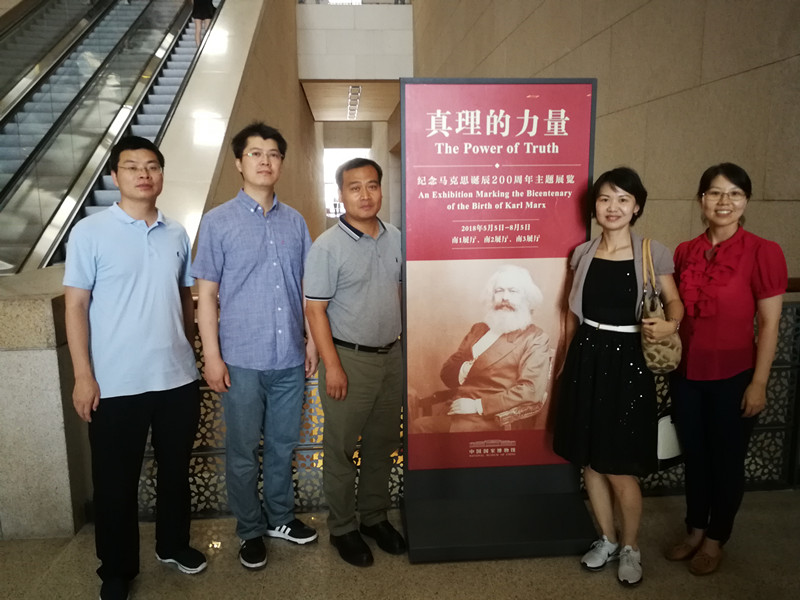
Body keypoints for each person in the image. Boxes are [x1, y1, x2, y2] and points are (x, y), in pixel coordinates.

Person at [63, 136, 206, 600]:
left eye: (152, 166)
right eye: (132, 166)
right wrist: (83, 375)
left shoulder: (177, 232)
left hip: (177, 379)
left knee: (175, 472)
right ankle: (117, 569)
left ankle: (173, 544)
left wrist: (189, 346)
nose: (144, 174)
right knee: (114, 483)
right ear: (114, 176)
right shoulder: (89, 232)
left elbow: (185, 297)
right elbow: (76, 306)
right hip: (115, 383)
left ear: (161, 175)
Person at [192, 123, 318, 571]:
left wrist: (312, 342)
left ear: (281, 163)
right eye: (255, 153)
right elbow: (207, 295)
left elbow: (307, 289)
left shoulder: (296, 221)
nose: (265, 161)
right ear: (238, 163)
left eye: (273, 154)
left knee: (283, 446)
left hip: (289, 359)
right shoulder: (217, 221)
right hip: (241, 361)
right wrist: (212, 356)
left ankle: (280, 518)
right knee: (243, 453)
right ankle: (249, 530)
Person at [552, 167, 683, 586]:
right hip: (587, 357)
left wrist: (671, 324)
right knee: (591, 460)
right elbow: (572, 314)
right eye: (606, 199)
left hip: (630, 362)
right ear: (595, 206)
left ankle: (631, 546)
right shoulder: (583, 253)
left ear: (637, 207)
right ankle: (607, 539)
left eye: (623, 199)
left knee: (620, 464)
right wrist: (564, 363)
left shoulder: (652, 252)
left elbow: (674, 301)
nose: (613, 207)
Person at [665, 163, 786, 576]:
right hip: (686, 375)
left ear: (745, 201)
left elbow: (769, 323)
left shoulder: (763, 251)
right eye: (715, 192)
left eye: (735, 193)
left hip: (735, 376)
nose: (724, 201)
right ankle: (695, 529)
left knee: (726, 461)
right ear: (702, 199)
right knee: (695, 457)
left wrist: (759, 382)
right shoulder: (684, 251)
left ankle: (716, 538)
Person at [304, 157, 405, 567]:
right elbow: (315, 310)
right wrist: (333, 366)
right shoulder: (327, 246)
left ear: (381, 189)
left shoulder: (397, 238)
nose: (365, 195)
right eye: (354, 187)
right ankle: (343, 527)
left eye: (372, 185)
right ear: (341, 194)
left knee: (383, 444)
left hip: (392, 357)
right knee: (342, 449)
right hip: (348, 358)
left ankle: (374, 517)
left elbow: (400, 294)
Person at [410, 265, 551, 433]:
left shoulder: (535, 338)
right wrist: (466, 369)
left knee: (420, 429)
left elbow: (530, 390)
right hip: (456, 409)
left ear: (527, 298)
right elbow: (447, 373)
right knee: (418, 427)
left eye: (513, 291)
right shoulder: (479, 329)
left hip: (492, 419)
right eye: (499, 290)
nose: (505, 297)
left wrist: (477, 405)